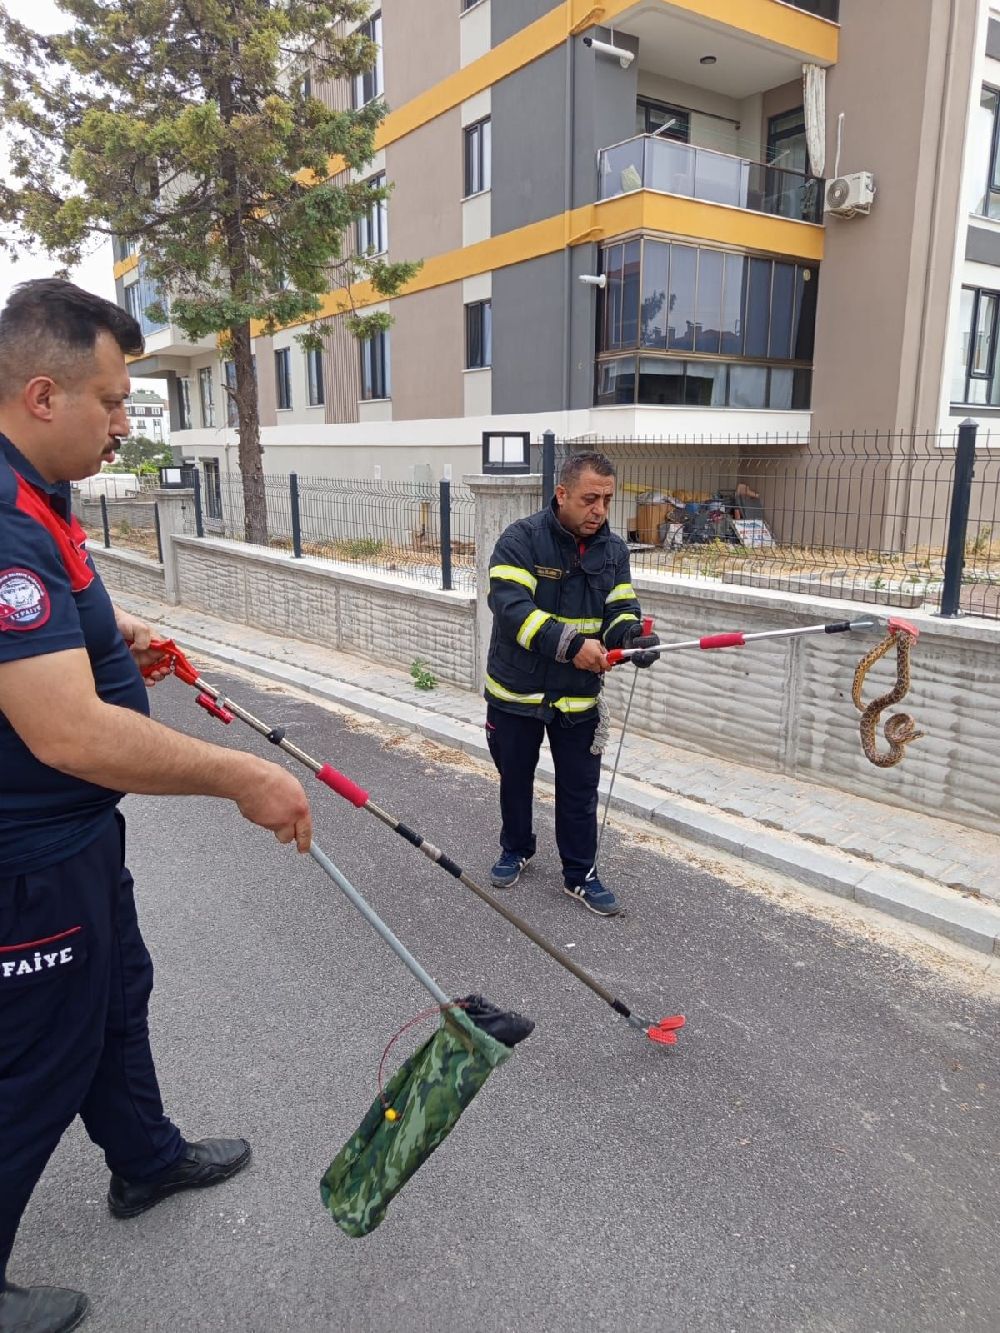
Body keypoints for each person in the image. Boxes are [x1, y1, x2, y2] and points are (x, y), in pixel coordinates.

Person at [0, 279, 312, 1333]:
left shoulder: (42, 496)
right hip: (26, 859)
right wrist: (245, 776)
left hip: (75, 839)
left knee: (117, 992)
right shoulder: (2, 524)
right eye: (113, 400)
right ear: (44, 394)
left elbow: (62, 606)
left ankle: (144, 1159)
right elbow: (68, 734)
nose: (126, 424)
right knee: (35, 1062)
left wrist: (111, 631)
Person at [484, 451, 659, 918]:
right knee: (514, 779)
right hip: (515, 692)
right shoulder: (520, 540)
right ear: (562, 494)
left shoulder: (614, 551)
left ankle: (580, 875)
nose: (599, 509)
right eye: (589, 499)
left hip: (578, 695)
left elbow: (621, 608)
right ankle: (516, 848)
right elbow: (510, 607)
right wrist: (572, 643)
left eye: (606, 499)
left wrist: (632, 637)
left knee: (580, 790)